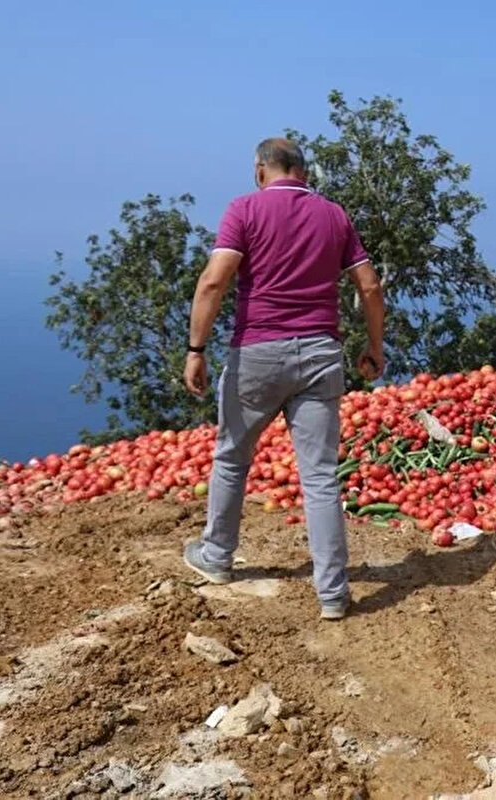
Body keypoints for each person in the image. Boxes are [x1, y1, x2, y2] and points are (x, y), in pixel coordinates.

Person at [181, 137, 385, 620]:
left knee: (232, 458)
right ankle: (333, 595)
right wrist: (374, 347)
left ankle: (216, 557)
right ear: (303, 173)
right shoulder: (333, 215)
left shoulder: (244, 210)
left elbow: (214, 280)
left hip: (257, 353)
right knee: (319, 477)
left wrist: (196, 349)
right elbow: (370, 286)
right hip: (320, 353)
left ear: (259, 171)